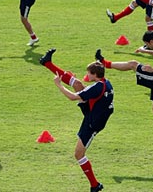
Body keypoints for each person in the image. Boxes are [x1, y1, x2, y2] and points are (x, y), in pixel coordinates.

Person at [39, 48, 113, 192]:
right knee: (78, 84)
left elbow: (72, 97)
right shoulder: (106, 83)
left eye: (89, 73)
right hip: (96, 111)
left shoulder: (96, 88)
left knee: (78, 154)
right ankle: (47, 63)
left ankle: (94, 185)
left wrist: (59, 85)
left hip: (93, 122)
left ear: (95, 75)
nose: (87, 75)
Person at [95, 31, 153, 153]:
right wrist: (145, 51)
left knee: (132, 64)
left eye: (147, 44)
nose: (147, 46)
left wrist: (152, 69)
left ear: (152, 41)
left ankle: (105, 64)